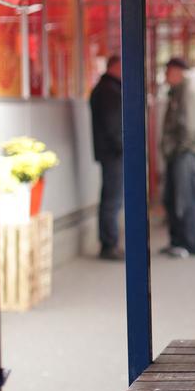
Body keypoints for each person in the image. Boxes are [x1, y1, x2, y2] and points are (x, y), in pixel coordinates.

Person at [159, 57, 195, 258]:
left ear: (177, 72)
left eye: (168, 72)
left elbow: (191, 127)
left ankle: (188, 244)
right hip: (179, 154)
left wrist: (178, 148)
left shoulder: (188, 94)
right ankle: (177, 241)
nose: (165, 77)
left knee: (184, 199)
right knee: (173, 198)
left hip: (185, 154)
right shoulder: (177, 93)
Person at [88, 55, 124, 260]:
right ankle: (109, 244)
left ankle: (109, 242)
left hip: (109, 153)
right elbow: (113, 126)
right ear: (115, 67)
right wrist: (124, 148)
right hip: (113, 154)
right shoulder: (109, 91)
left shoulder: (106, 88)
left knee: (111, 198)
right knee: (113, 199)